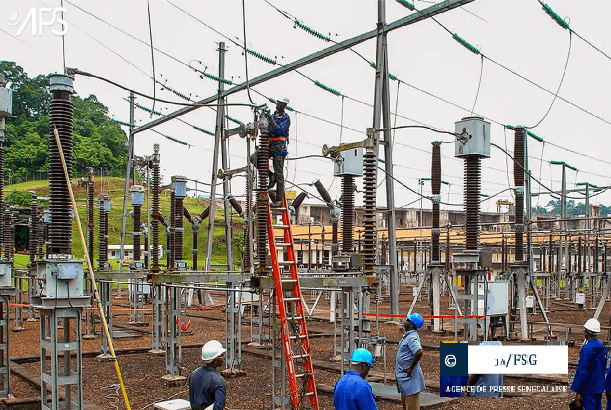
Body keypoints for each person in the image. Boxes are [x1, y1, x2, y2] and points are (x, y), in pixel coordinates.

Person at [571, 318, 606, 410]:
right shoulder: (602, 347)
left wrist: (578, 391)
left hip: (588, 388)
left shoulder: (586, 349)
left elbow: (582, 371)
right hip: (599, 387)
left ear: (586, 333)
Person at [396, 312, 425, 410]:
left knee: (412, 405)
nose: (405, 321)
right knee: (406, 405)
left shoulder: (412, 337)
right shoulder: (408, 335)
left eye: (408, 320)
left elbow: (419, 351)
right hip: (405, 379)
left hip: (410, 379)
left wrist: (411, 367)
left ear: (412, 325)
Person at [189, 340, 227, 410]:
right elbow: (218, 406)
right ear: (215, 360)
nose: (223, 358)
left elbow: (192, 400)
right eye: (221, 356)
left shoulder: (193, 374)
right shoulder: (218, 381)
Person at [266, 97, 290, 207]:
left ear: (284, 105)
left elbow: (279, 130)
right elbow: (267, 130)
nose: (277, 104)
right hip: (270, 145)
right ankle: (271, 176)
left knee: (279, 175)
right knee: (254, 158)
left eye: (280, 103)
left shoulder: (286, 118)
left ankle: (278, 201)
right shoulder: (272, 116)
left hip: (279, 147)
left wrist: (270, 120)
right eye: (277, 102)